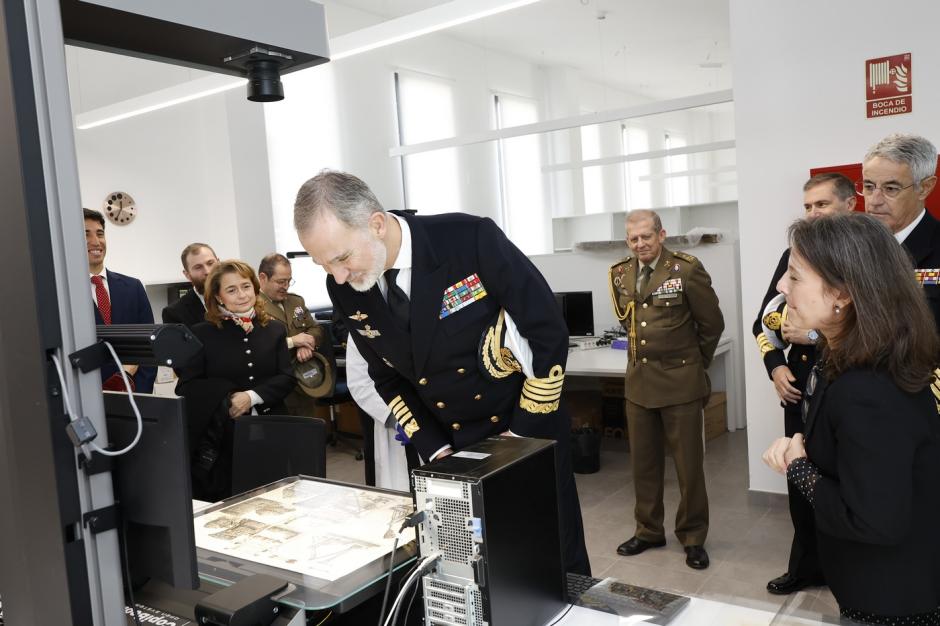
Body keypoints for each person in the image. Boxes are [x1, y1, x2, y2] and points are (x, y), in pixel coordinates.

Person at [293, 169, 590, 576]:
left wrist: (522, 433)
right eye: (324, 265)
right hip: (447, 445)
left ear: (376, 224)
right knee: (467, 572)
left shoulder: (468, 239)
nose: (339, 276)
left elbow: (547, 331)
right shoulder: (344, 287)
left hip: (523, 428)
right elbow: (387, 377)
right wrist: (435, 449)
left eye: (342, 258)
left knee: (549, 559)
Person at [763, 213, 940, 624]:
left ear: (841, 293)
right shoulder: (844, 357)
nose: (781, 287)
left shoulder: (869, 390)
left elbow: (875, 522)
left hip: (892, 600)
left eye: (794, 276)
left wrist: (797, 466)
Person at [753, 172, 856, 595]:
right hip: (798, 386)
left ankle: (845, 571)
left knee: (844, 484)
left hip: (842, 383)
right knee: (800, 481)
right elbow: (765, 317)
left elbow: (862, 320)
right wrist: (775, 366)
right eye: (808, 206)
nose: (813, 213)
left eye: (822, 205)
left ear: (849, 205)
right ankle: (805, 566)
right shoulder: (793, 252)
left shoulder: (859, 253)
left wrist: (815, 335)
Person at [609, 209, 724, 570]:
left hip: (681, 383)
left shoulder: (686, 269)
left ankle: (692, 536)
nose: (640, 244)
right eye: (633, 239)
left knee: (689, 467)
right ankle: (648, 531)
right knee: (643, 465)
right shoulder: (620, 273)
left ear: (661, 235)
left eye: (646, 236)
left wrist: (693, 366)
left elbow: (711, 324)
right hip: (639, 383)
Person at [175, 260, 294, 501]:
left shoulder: (275, 329)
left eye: (245, 286)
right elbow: (187, 385)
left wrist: (251, 397)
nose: (241, 295)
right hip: (223, 439)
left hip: (271, 429)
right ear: (218, 297)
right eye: (231, 290)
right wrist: (228, 396)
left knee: (274, 501)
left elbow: (287, 377)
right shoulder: (201, 334)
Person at [862, 133, 940, 332]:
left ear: (924, 188)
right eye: (869, 186)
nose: (874, 200)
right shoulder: (853, 246)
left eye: (890, 188)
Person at [84, 208, 156, 393]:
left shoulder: (133, 287)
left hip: (135, 394)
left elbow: (149, 345)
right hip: (87, 396)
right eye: (86, 234)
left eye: (100, 234)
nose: (96, 241)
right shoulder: (64, 294)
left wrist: (138, 391)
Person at [257, 253, 332, 415]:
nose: (286, 286)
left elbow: (316, 328)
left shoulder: (295, 301)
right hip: (277, 388)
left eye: (289, 281)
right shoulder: (253, 308)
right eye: (280, 281)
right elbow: (257, 347)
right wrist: (293, 342)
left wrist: (308, 341)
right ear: (263, 278)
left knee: (308, 433)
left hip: (304, 382)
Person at [162, 243, 219, 328]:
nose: (207, 271)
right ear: (187, 275)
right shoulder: (174, 313)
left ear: (219, 263)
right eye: (198, 267)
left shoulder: (240, 298)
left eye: (210, 263)